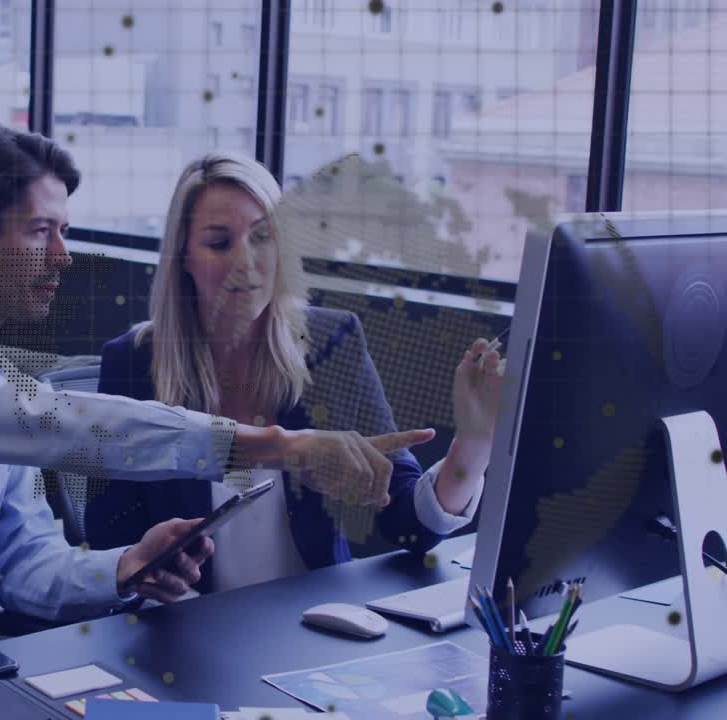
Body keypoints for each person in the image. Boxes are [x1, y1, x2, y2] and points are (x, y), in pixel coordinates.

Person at [0, 123, 437, 718]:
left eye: (64, 231)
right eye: (41, 231)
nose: (63, 256)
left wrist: (124, 568)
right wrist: (280, 446)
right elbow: (57, 423)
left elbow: (26, 567)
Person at [84, 151, 505, 595]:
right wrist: (155, 578)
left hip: (311, 629)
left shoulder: (331, 342)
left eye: (262, 237)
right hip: (183, 630)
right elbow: (112, 541)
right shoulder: (132, 365)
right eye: (219, 242)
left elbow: (409, 525)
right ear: (182, 257)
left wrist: (473, 447)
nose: (246, 262)